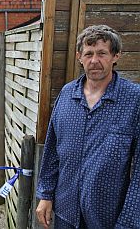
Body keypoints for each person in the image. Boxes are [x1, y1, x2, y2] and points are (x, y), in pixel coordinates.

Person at [35, 25, 139, 229]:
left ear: (116, 56)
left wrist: (129, 220)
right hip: (66, 212)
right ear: (79, 57)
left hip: (108, 216)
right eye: (88, 54)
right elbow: (52, 151)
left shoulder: (133, 99)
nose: (94, 61)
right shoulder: (67, 95)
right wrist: (45, 194)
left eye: (102, 53)